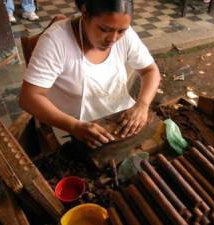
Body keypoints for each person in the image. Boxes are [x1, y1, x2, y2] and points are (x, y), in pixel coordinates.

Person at [19, 0, 161, 149]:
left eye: (121, 31)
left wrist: (142, 105)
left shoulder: (126, 34)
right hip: (75, 129)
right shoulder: (55, 41)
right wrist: (73, 126)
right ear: (85, 14)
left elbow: (150, 70)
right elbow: (29, 98)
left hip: (121, 117)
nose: (113, 39)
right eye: (104, 29)